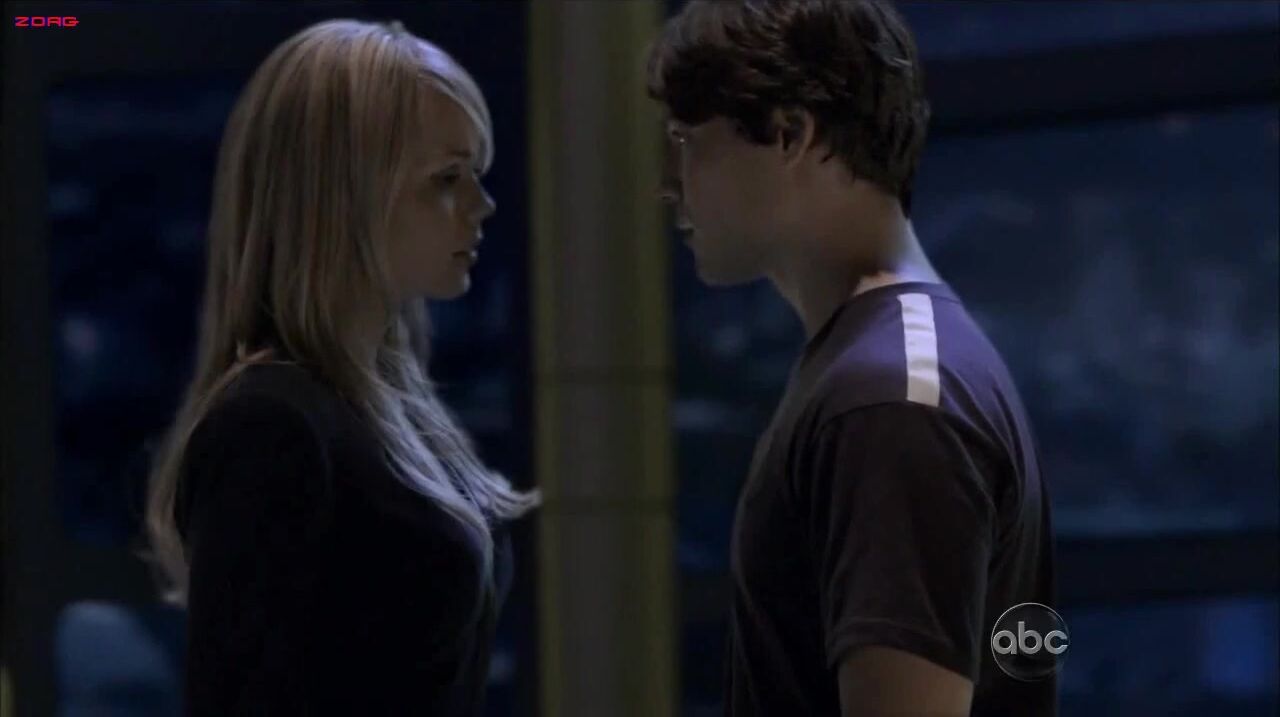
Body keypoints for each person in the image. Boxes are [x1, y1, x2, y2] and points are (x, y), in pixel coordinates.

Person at [647, 1, 1057, 715]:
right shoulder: (890, 366)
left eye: (687, 140)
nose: (668, 181)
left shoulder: (891, 395)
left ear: (790, 133)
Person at [142, 18, 539, 716]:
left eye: (474, 175)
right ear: (345, 192)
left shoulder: (380, 410)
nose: (482, 206)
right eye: (447, 179)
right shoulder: (271, 423)